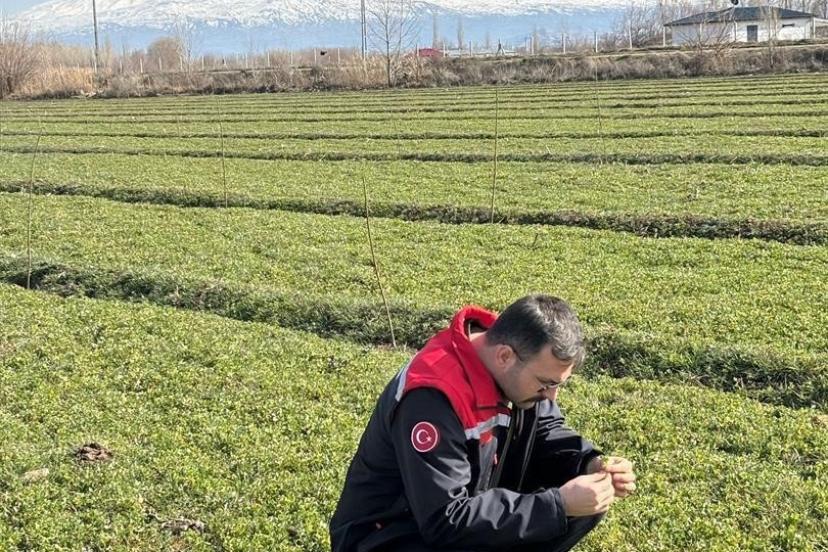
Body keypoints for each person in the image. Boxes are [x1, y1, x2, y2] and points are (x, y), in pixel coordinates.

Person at [330, 294, 636, 552]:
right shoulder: (432, 398)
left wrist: (590, 462)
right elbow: (444, 520)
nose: (551, 396)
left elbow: (544, 430)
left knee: (585, 499)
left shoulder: (514, 363)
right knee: (562, 507)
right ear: (504, 356)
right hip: (390, 534)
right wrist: (557, 505)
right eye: (546, 383)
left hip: (461, 508)